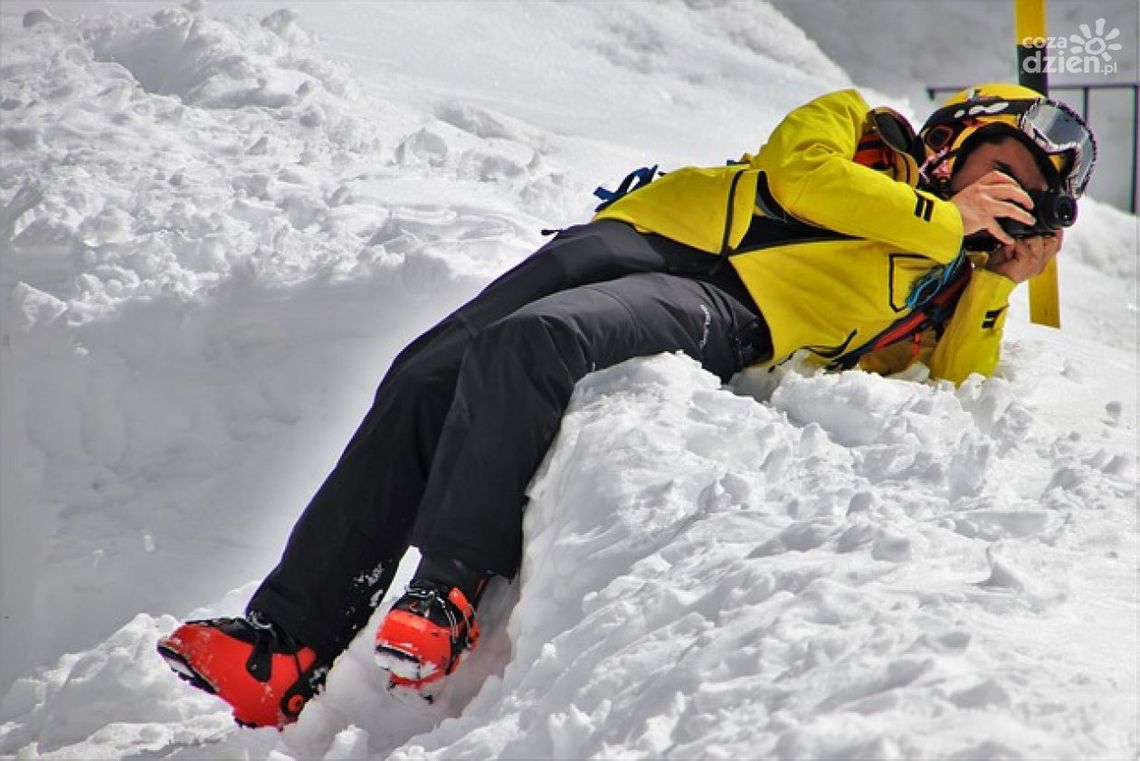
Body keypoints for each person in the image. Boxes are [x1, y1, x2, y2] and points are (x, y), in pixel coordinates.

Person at [157, 82, 1097, 727]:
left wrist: (992, 282)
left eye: (1030, 197)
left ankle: (446, 594)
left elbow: (951, 389)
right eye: (1006, 167)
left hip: (732, 306)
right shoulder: (854, 124)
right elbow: (795, 176)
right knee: (422, 373)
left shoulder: (944, 276)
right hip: (639, 234)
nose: (1010, 196)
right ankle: (286, 646)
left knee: (537, 344)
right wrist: (945, 218)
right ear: (957, 138)